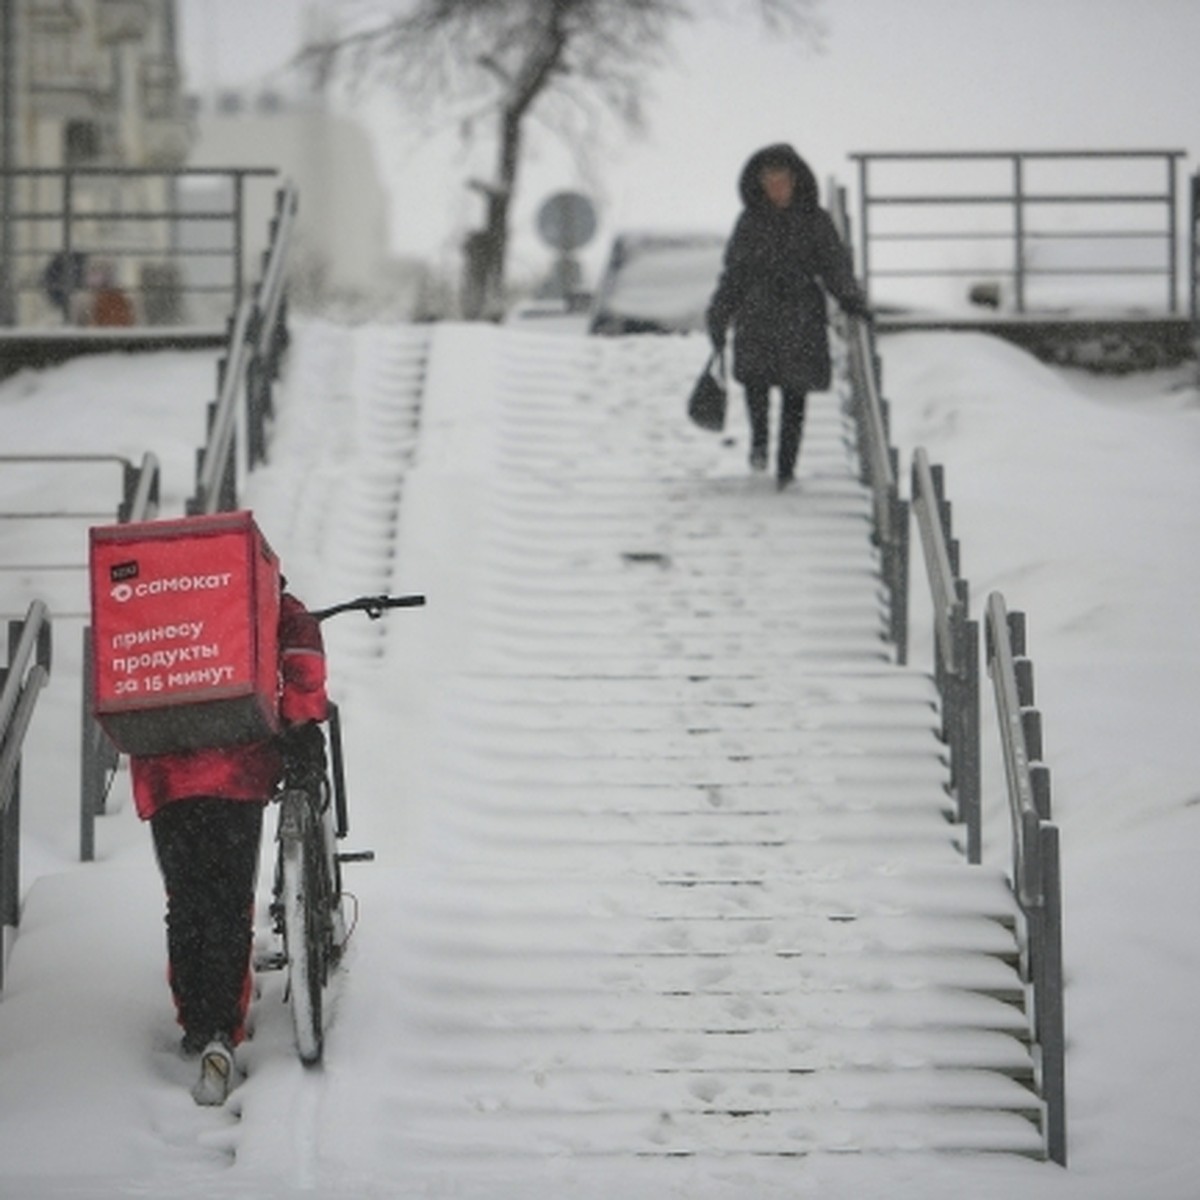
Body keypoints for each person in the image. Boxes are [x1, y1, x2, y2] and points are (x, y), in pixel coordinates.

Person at [129, 589, 328, 1106]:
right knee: (228, 900)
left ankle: (195, 1022)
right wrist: (302, 722)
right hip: (235, 772)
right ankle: (220, 1030)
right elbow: (302, 655)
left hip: (164, 771)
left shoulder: (155, 603)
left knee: (186, 898)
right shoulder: (259, 592)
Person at [706, 143, 869, 490]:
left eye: (782, 180)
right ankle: (760, 444)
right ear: (760, 183)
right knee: (756, 385)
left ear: (795, 180)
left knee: (796, 393)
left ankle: (786, 468)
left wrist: (850, 298)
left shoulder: (815, 220)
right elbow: (734, 273)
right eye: (770, 181)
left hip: (800, 315)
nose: (777, 187)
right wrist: (720, 313)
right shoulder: (750, 222)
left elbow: (833, 266)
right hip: (757, 312)